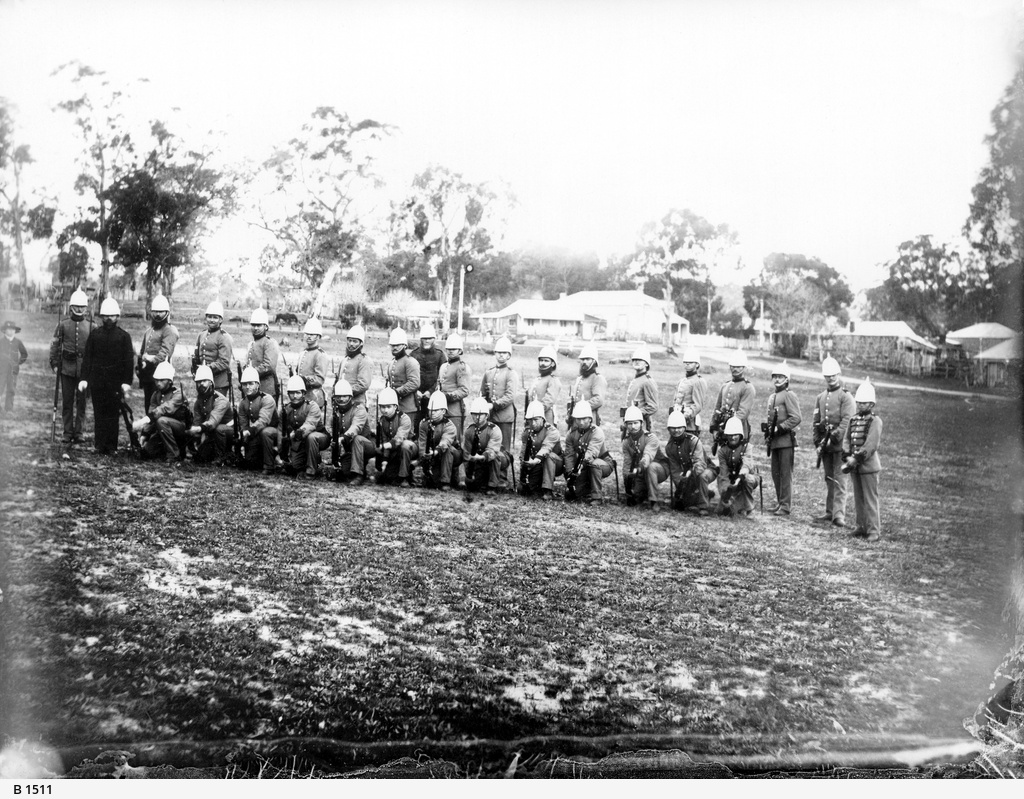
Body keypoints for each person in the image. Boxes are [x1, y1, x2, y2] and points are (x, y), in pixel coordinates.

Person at [78, 298, 134, 455]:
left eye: (112, 316)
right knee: (99, 413)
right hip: (97, 382)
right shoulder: (95, 335)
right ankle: (99, 444)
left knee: (113, 414)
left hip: (115, 383)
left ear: (117, 317)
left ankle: (111, 446)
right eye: (106, 316)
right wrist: (84, 378)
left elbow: (128, 361)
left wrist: (126, 382)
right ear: (101, 316)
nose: (109, 319)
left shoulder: (124, 337)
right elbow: (88, 358)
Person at [812, 356, 856, 528]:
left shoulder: (846, 397)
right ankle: (830, 511)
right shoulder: (821, 397)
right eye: (827, 376)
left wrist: (834, 437)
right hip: (825, 445)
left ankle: (839, 515)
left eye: (833, 375)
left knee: (840, 479)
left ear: (838, 374)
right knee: (829, 478)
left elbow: (847, 421)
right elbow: (816, 421)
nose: (830, 378)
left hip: (839, 445)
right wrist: (818, 442)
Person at [49, 289, 93, 443]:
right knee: (67, 402)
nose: (79, 309)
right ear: (71, 306)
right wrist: (54, 363)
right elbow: (55, 345)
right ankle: (67, 432)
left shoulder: (91, 326)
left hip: (84, 371)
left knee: (82, 403)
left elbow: (94, 350)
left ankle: (79, 432)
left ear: (86, 308)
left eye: (82, 307)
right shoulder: (63, 324)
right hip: (66, 368)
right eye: (76, 306)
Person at [647, 410, 711, 515]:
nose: (676, 430)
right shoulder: (670, 447)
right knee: (683, 502)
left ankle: (703, 506)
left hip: (706, 469)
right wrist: (681, 485)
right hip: (687, 474)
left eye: (679, 427)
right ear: (668, 429)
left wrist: (691, 476)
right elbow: (675, 469)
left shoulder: (693, 441)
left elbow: (700, 463)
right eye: (673, 428)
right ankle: (705, 494)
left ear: (685, 428)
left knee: (701, 476)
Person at [843, 379, 883, 542]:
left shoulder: (875, 421)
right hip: (854, 467)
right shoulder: (853, 420)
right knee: (858, 498)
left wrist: (856, 458)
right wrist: (846, 456)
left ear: (872, 405)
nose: (860, 406)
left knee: (870, 499)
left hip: (868, 467)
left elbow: (871, 444)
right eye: (858, 402)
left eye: (864, 403)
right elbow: (846, 439)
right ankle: (861, 526)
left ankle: (874, 530)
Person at [763, 360, 802, 516]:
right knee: (776, 473)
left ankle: (785, 505)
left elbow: (796, 417)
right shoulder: (772, 397)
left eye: (781, 377)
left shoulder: (789, 395)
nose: (777, 379)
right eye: (775, 377)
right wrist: (768, 434)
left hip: (785, 441)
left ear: (787, 379)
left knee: (785, 474)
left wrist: (780, 428)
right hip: (775, 441)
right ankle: (780, 502)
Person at [134, 361, 190, 465]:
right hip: (164, 431)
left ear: (169, 381)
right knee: (146, 452)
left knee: (161, 420)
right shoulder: (156, 395)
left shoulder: (178, 394)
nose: (158, 383)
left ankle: (174, 455)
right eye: (156, 380)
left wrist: (144, 420)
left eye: (162, 380)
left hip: (181, 430)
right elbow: (152, 414)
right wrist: (145, 434)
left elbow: (165, 409)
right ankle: (166, 450)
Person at [562, 400, 613, 504]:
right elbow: (569, 455)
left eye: (584, 419)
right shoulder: (571, 434)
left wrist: (579, 467)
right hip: (584, 465)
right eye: (578, 419)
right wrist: (570, 472)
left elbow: (591, 453)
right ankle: (586, 490)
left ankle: (597, 497)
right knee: (572, 494)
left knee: (594, 464)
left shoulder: (597, 432)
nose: (581, 422)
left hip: (603, 463)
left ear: (590, 419)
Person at [136, 294, 179, 413]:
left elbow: (165, 354)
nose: (158, 315)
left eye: (161, 312)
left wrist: (150, 359)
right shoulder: (149, 331)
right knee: (149, 404)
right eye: (155, 312)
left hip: (162, 374)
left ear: (167, 313)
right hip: (148, 374)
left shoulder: (169, 330)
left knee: (161, 406)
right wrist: (140, 364)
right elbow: (142, 352)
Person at [281, 373, 329, 478]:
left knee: (311, 437)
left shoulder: (312, 406)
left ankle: (311, 471)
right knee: (295, 466)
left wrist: (294, 434)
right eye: (291, 393)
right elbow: (281, 428)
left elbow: (310, 425)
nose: (294, 396)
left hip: (318, 437)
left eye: (298, 393)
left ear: (303, 393)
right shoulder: (286, 409)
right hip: (299, 441)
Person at [328, 378, 375, 485]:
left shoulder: (359, 409)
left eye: (344, 396)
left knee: (357, 439)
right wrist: (334, 440)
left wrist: (344, 437)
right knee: (344, 472)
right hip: (352, 450)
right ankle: (360, 469)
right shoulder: (336, 414)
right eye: (338, 397)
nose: (341, 399)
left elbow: (356, 427)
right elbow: (333, 430)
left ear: (350, 397)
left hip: (366, 445)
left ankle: (358, 475)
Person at [236, 365, 281, 474]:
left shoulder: (267, 399)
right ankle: (264, 457)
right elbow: (243, 424)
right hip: (257, 432)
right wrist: (242, 434)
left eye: (251, 383)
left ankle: (269, 466)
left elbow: (263, 421)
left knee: (266, 432)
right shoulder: (243, 403)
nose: (247, 387)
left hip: (274, 432)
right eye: (244, 384)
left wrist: (248, 432)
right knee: (250, 463)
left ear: (258, 385)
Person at [710, 349, 756, 450]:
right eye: (733, 366)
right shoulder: (725, 385)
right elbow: (717, 408)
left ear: (744, 368)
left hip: (738, 431)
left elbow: (742, 413)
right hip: (722, 430)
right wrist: (715, 427)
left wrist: (726, 426)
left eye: (738, 366)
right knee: (723, 458)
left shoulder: (748, 387)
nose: (735, 369)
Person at [518, 400, 564, 500]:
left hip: (555, 463)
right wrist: (524, 463)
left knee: (549, 457)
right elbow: (524, 450)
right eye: (530, 420)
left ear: (543, 419)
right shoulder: (527, 432)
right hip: (537, 464)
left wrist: (535, 461)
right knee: (525, 490)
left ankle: (548, 490)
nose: (533, 423)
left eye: (536, 420)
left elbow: (546, 448)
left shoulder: (551, 431)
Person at [372, 386, 417, 486]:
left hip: (409, 448)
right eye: (382, 407)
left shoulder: (404, 418)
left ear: (395, 407)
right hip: (394, 450)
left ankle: (404, 477)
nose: (385, 410)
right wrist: (384, 460)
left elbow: (399, 439)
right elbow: (385, 439)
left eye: (388, 407)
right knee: (387, 478)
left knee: (405, 445)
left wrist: (384, 446)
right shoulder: (382, 421)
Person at [186, 364, 230, 465]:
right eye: (198, 382)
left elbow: (213, 422)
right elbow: (197, 421)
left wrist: (198, 429)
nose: (201, 384)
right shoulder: (199, 401)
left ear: (210, 382)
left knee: (219, 429)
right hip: (211, 431)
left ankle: (221, 457)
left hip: (227, 431)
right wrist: (192, 431)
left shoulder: (220, 400)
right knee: (200, 458)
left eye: (204, 381)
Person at [480, 336, 519, 451]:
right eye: (498, 352)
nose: (501, 355)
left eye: (504, 352)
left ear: (509, 355)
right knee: (489, 446)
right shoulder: (489, 372)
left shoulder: (511, 373)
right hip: (490, 416)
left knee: (503, 450)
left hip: (504, 417)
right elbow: (482, 393)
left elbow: (510, 396)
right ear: (495, 353)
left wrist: (493, 405)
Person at [461, 396, 506, 494]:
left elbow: (492, 451)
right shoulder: (469, 431)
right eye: (474, 414)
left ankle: (492, 486)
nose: (477, 417)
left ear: (486, 416)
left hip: (492, 458)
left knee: (496, 457)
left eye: (480, 414)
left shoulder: (494, 430)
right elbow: (467, 452)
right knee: (473, 485)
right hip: (477, 461)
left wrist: (480, 457)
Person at [716, 416, 758, 518]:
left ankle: (749, 508)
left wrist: (739, 478)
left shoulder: (747, 447)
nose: (733, 437)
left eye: (735, 435)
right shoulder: (722, 451)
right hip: (731, 479)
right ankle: (734, 502)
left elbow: (747, 465)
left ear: (740, 435)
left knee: (748, 479)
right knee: (722, 511)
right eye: (730, 435)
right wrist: (725, 490)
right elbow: (723, 472)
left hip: (745, 477)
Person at [419, 391, 462, 491]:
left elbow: (445, 443)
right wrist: (424, 456)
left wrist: (434, 452)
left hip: (450, 454)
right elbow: (422, 442)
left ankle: (445, 482)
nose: (432, 412)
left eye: (436, 410)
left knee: (448, 450)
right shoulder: (424, 424)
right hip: (434, 455)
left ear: (443, 411)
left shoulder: (449, 425)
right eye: (430, 410)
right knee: (431, 482)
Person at [192, 300, 233, 398]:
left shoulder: (224, 337)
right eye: (209, 317)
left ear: (221, 320)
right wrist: (195, 371)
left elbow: (224, 362)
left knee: (217, 407)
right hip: (202, 379)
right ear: (206, 318)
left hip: (219, 382)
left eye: (215, 317)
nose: (212, 320)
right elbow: (197, 357)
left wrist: (207, 369)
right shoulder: (201, 335)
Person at [410, 322, 447, 427]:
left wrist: (431, 391)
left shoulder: (440, 355)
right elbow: (409, 376)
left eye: (429, 338)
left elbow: (443, 376)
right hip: (416, 398)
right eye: (424, 338)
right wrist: (415, 391)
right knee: (417, 425)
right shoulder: (413, 354)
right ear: (420, 339)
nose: (426, 340)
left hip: (433, 397)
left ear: (434, 339)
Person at [620, 406, 659, 506]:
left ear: (642, 423)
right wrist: (627, 480)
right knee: (636, 495)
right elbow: (627, 463)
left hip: (656, 468)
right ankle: (642, 490)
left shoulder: (650, 438)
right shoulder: (626, 442)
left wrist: (638, 469)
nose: (633, 426)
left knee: (651, 468)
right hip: (639, 472)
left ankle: (654, 501)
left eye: (636, 423)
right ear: (626, 425)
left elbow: (647, 456)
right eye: (630, 423)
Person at [387, 328, 421, 430]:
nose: (395, 347)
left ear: (404, 345)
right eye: (393, 345)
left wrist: (396, 393)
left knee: (406, 436)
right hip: (394, 407)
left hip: (408, 407)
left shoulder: (410, 362)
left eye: (398, 345)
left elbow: (414, 382)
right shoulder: (392, 362)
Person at [438, 333, 471, 438]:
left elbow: (464, 390)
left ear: (460, 351)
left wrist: (447, 396)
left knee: (454, 441)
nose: (450, 351)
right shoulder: (443, 366)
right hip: (441, 410)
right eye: (448, 348)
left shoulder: (461, 367)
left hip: (454, 411)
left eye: (454, 349)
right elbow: (439, 384)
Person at [246, 308, 282, 404]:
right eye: (253, 325)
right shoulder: (251, 344)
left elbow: (269, 366)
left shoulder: (269, 343)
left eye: (259, 325)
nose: (256, 328)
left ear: (266, 327)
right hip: (252, 387)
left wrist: (250, 373)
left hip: (266, 387)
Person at [568, 343, 608, 426]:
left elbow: (598, 400)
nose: (584, 362)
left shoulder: (597, 378)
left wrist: (581, 408)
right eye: (582, 359)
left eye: (587, 359)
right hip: (575, 418)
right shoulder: (579, 378)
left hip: (589, 418)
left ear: (594, 362)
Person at [672, 348, 709, 437]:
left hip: (690, 425)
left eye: (691, 362)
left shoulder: (699, 381)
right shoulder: (682, 380)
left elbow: (698, 405)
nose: (687, 364)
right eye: (686, 362)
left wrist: (686, 415)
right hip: (678, 421)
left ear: (697, 364)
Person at [623, 346, 658, 434]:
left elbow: (653, 406)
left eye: (640, 359)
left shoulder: (648, 381)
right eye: (634, 359)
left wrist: (636, 414)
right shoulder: (636, 379)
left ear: (646, 364)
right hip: (631, 423)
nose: (636, 361)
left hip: (641, 425)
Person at [337, 324, 373, 408]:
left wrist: (344, 392)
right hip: (341, 403)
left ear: (361, 343)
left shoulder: (364, 360)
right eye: (349, 340)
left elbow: (363, 385)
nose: (351, 344)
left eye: (355, 341)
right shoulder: (344, 360)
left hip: (356, 404)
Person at [294, 317, 327, 411]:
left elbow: (319, 379)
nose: (309, 336)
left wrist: (303, 380)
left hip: (314, 397)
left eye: (312, 334)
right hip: (301, 397)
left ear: (318, 336)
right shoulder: (303, 353)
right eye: (307, 334)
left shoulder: (320, 355)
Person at [526, 346, 562, 426]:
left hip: (546, 416)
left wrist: (536, 412)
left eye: (546, 361)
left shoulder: (553, 380)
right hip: (533, 416)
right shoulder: (538, 378)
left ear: (552, 363)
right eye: (541, 360)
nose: (543, 363)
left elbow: (549, 400)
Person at [1, 320, 29, 414]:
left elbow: (24, 354)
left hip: (13, 371)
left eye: (13, 329)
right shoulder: (1, 342)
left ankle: (8, 409)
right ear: (4, 330)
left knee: (11, 389)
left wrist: (18, 362)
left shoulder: (18, 342)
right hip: (1, 371)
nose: (11, 331)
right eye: (9, 329)